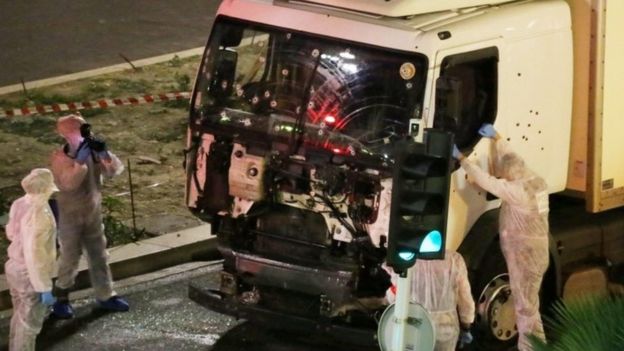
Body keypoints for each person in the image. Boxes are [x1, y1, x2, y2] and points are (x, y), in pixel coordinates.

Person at [454, 123, 549, 351]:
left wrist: (462, 159)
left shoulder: (519, 191)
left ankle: (532, 348)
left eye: (506, 175)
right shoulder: (535, 180)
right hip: (535, 254)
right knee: (528, 305)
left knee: (526, 308)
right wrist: (498, 138)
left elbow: (489, 182)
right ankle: (536, 345)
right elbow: (511, 157)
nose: (504, 177)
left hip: (525, 256)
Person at [49, 114, 129, 318]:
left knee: (99, 256)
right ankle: (61, 298)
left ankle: (106, 294)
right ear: (65, 134)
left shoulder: (92, 154)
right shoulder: (60, 158)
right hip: (70, 216)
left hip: (92, 213)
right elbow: (68, 184)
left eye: (84, 128)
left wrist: (104, 154)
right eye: (77, 130)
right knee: (69, 257)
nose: (83, 133)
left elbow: (113, 170)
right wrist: (78, 163)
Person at [5, 168, 59, 350]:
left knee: (19, 317)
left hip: (14, 267)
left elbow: (11, 232)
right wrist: (43, 287)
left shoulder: (20, 203)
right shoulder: (40, 214)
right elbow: (35, 255)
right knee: (29, 324)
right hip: (30, 275)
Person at [386, 251, 475, 351]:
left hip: (415, 328)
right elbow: (465, 297)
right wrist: (466, 325)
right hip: (445, 330)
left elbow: (396, 295)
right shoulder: (454, 259)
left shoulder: (405, 260)